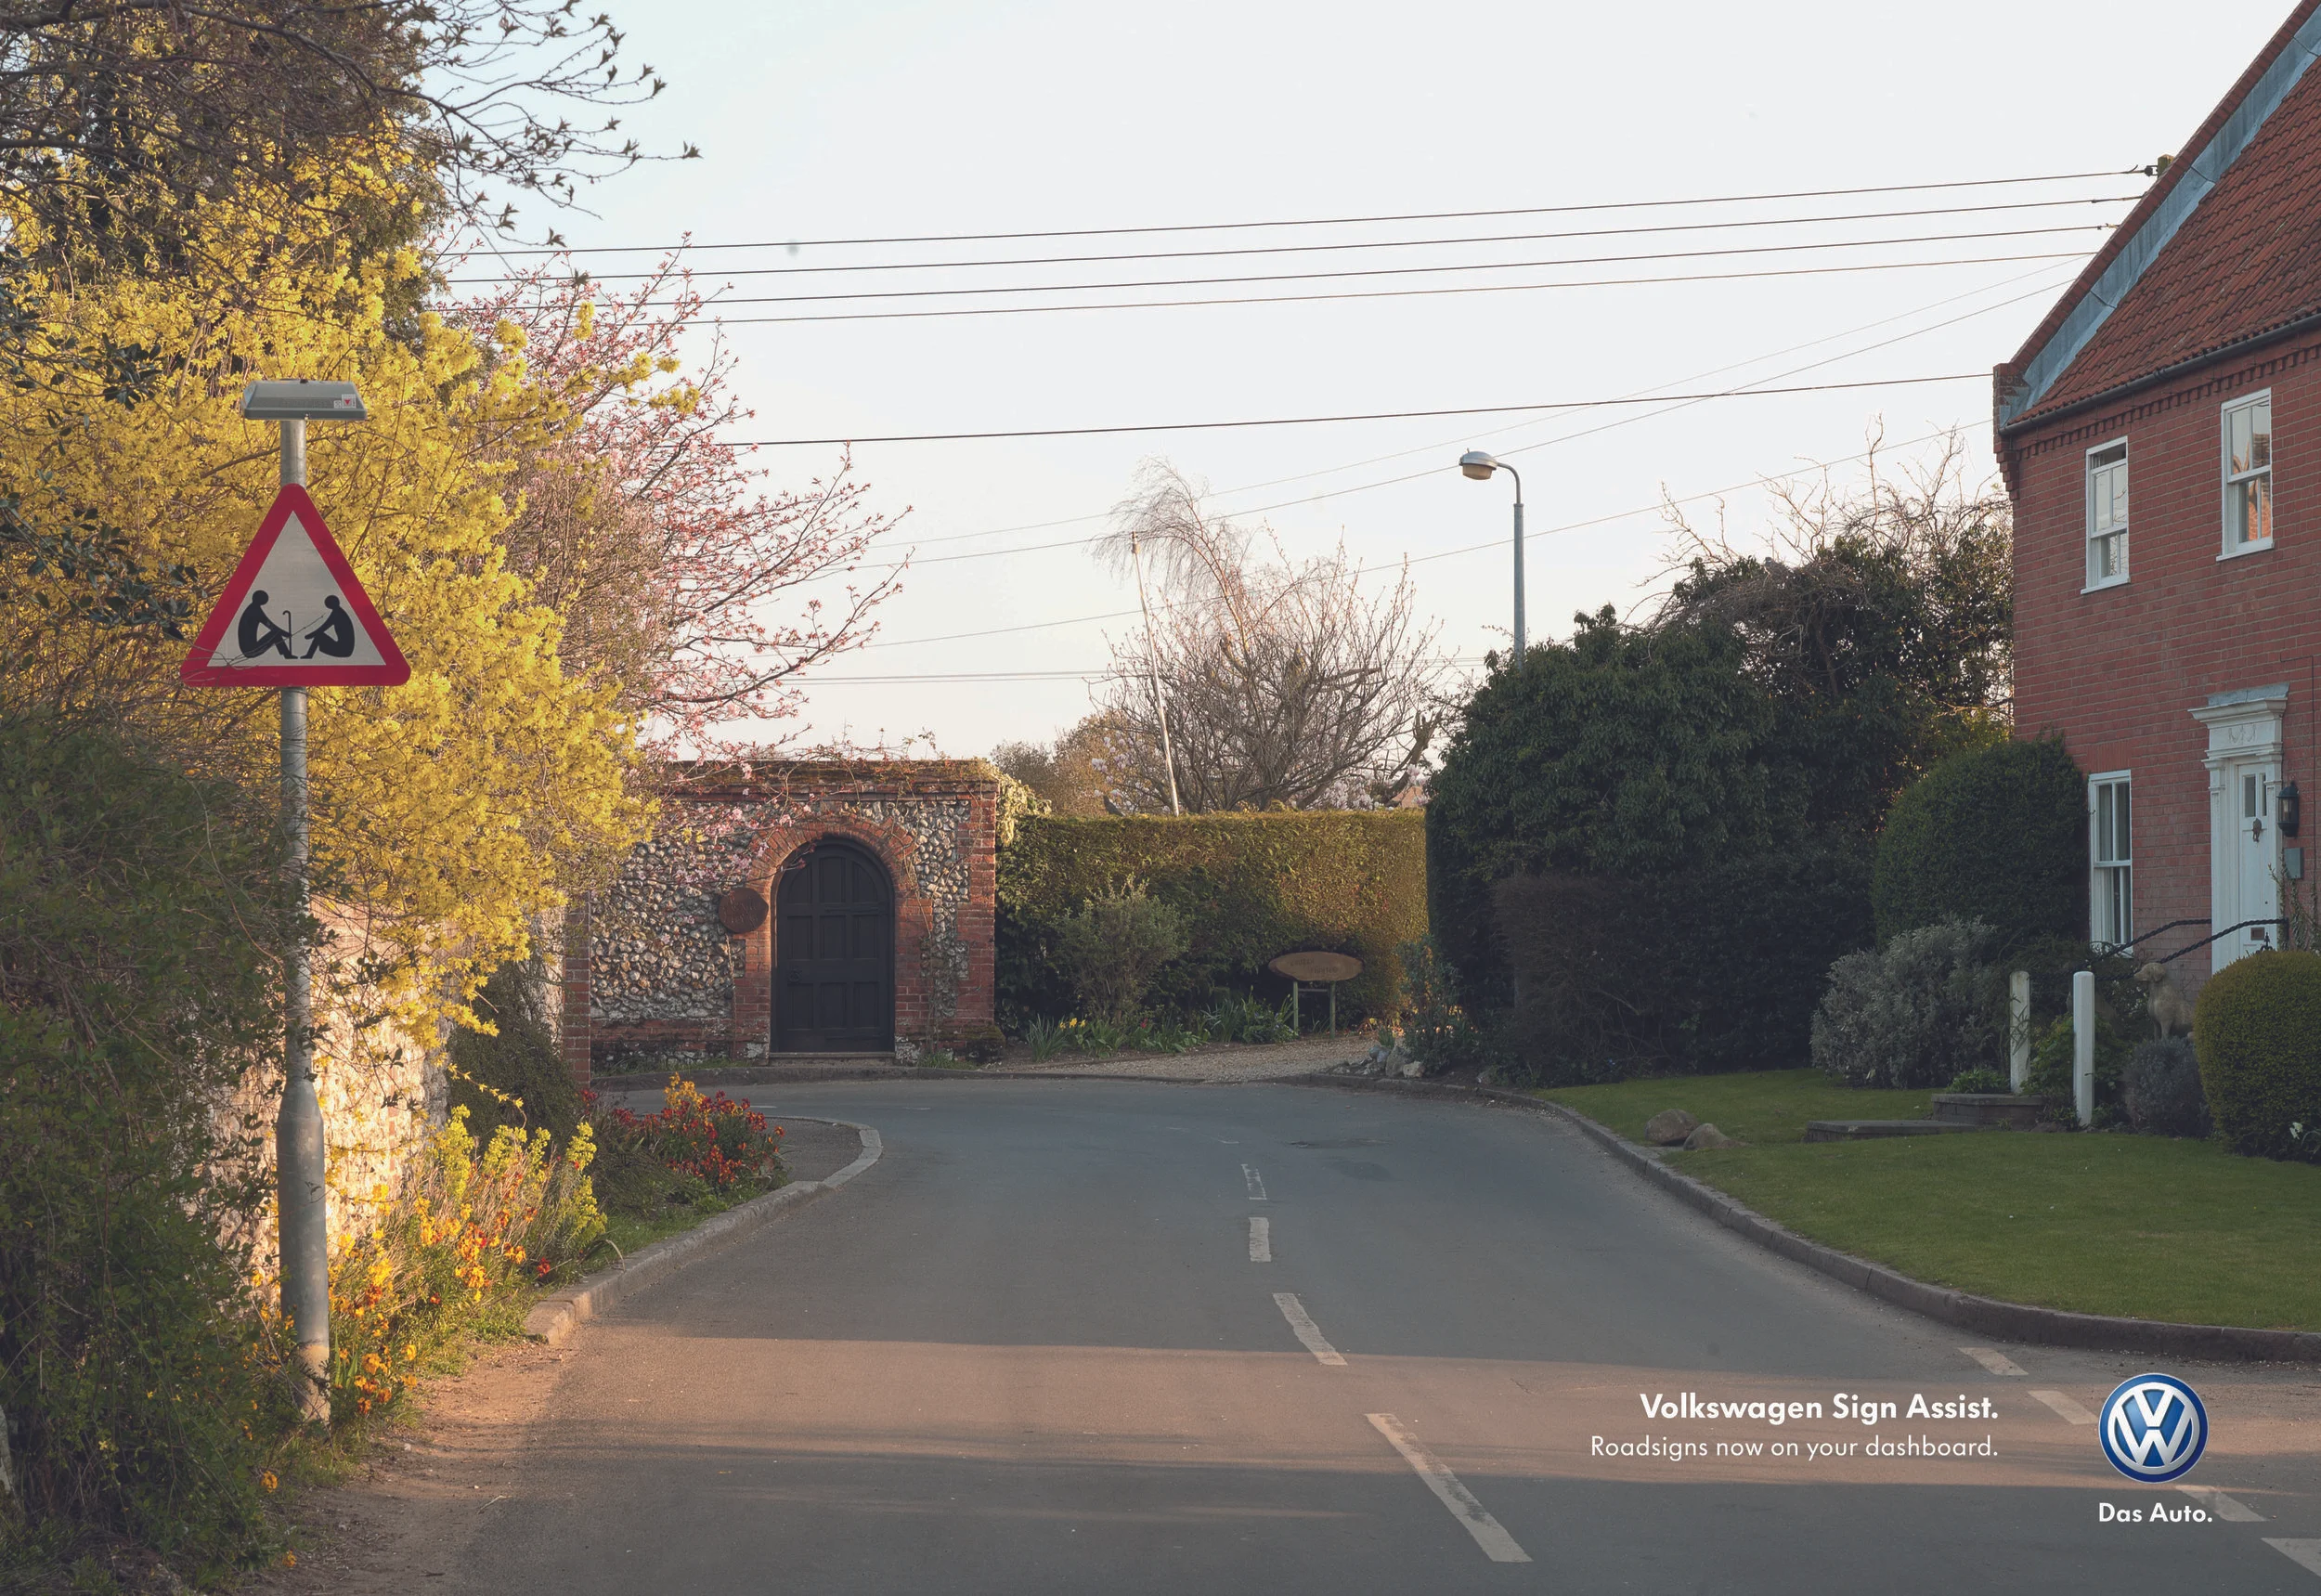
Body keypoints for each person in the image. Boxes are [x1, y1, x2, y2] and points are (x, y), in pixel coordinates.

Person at [237, 590, 293, 659]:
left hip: (248, 650)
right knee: (276, 633)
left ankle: (287, 655)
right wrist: (286, 634)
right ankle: (287, 655)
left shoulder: (252, 608)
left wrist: (285, 634)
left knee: (276, 633)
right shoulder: (255, 610)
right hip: (251, 651)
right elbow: (270, 625)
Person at [300, 594, 356, 659]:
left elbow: (323, 627)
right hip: (346, 650)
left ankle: (309, 656)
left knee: (319, 635)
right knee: (319, 636)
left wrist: (309, 636)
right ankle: (309, 655)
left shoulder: (337, 613)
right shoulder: (340, 611)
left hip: (343, 651)